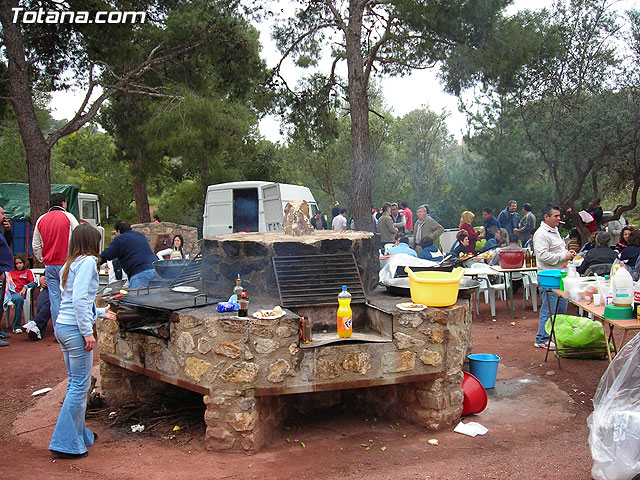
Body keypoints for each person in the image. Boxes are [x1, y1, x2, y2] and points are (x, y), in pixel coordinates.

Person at [49, 224, 116, 459]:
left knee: (74, 383)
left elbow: (75, 299)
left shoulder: (71, 263)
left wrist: (100, 313)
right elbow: (78, 300)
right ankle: (65, 441)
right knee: (80, 385)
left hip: (62, 327)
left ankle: (79, 434)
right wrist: (88, 332)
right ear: (91, 242)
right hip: (76, 331)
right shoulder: (88, 262)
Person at [32, 193, 79, 332]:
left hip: (50, 265)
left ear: (50, 204)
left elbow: (36, 245)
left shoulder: (41, 219)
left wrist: (43, 258)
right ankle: (71, 328)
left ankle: (58, 330)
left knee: (55, 299)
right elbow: (78, 237)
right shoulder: (69, 217)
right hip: (67, 263)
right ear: (63, 203)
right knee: (70, 296)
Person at [533, 203, 576, 349]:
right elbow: (543, 256)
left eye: (559, 215)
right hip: (548, 277)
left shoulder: (554, 231)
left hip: (560, 275)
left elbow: (557, 251)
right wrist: (564, 256)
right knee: (550, 308)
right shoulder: (541, 234)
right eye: (556, 216)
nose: (559, 218)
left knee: (561, 308)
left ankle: (556, 335)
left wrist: (567, 255)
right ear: (546, 217)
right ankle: (542, 338)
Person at [99, 220, 159, 289]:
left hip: (140, 274)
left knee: (135, 298)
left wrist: (97, 262)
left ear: (118, 231)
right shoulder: (140, 236)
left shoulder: (120, 239)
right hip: (156, 271)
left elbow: (107, 254)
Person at [3, 253, 37, 334]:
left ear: (24, 262)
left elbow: (35, 282)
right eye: (16, 263)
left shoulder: (28, 272)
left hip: (21, 294)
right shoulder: (11, 272)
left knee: (19, 299)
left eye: (20, 263)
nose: (19, 265)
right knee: (18, 298)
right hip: (11, 293)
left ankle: (16, 326)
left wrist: (25, 287)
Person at [23, 275, 51, 340]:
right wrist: (42, 280)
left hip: (62, 290)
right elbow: (43, 276)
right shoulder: (51, 265)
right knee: (41, 303)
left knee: (51, 302)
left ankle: (35, 324)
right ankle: (36, 329)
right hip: (48, 288)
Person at [0, 233, 13, 346]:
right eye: (2, 213)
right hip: (1, 273)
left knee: (1, 303)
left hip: (5, 273)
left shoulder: (1, 230)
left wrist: (8, 231)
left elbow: (9, 243)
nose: (4, 215)